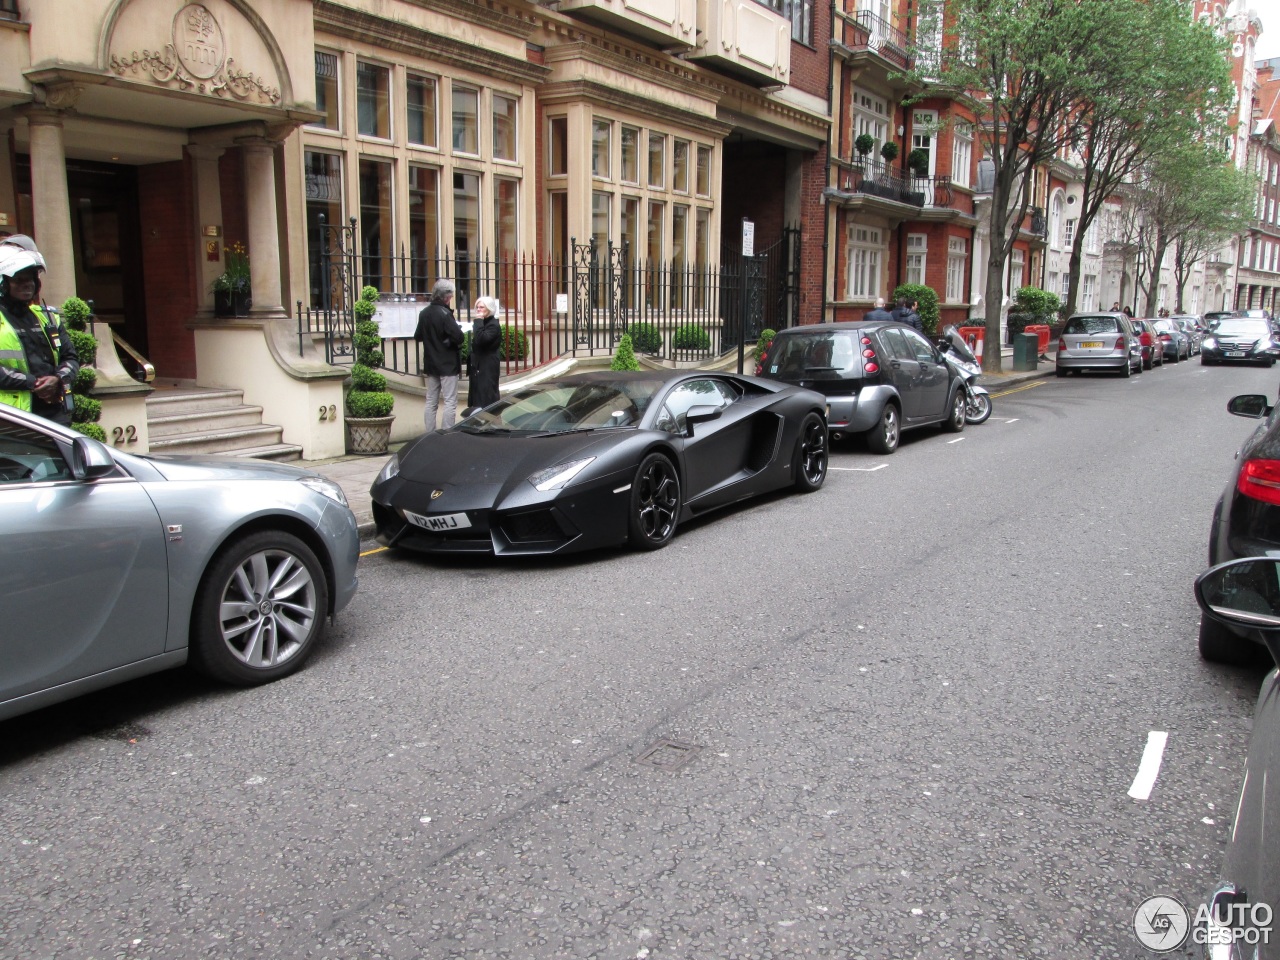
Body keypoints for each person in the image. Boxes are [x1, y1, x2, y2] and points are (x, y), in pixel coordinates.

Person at [0, 246, 79, 425]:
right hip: (11, 417)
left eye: (31, 280)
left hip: (55, 414)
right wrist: (33, 383)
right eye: (18, 280)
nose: (27, 284)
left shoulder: (48, 317)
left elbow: (71, 357)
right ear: (3, 283)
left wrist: (58, 379)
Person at [414, 279, 465, 431]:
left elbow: (418, 336)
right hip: (447, 364)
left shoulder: (424, 313)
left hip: (431, 363)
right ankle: (447, 432)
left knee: (431, 401)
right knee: (450, 401)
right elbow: (459, 337)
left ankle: (429, 433)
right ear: (447, 297)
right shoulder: (445, 314)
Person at [466, 296, 503, 411]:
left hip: (487, 366)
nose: (478, 309)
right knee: (477, 396)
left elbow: (481, 339)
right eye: (477, 307)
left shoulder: (493, 325)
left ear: (489, 308)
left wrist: (477, 321)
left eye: (481, 307)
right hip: (478, 365)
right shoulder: (483, 323)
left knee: (486, 396)